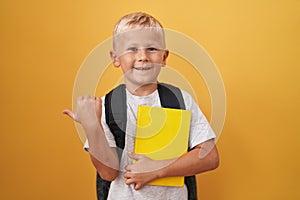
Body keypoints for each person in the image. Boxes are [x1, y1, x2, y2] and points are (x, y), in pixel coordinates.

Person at [63, 12, 219, 200]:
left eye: (152, 48)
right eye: (132, 49)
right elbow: (108, 173)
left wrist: (158, 169)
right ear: (115, 58)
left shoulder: (180, 100)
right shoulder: (104, 106)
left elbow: (210, 157)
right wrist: (91, 126)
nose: (143, 56)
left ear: (164, 57)